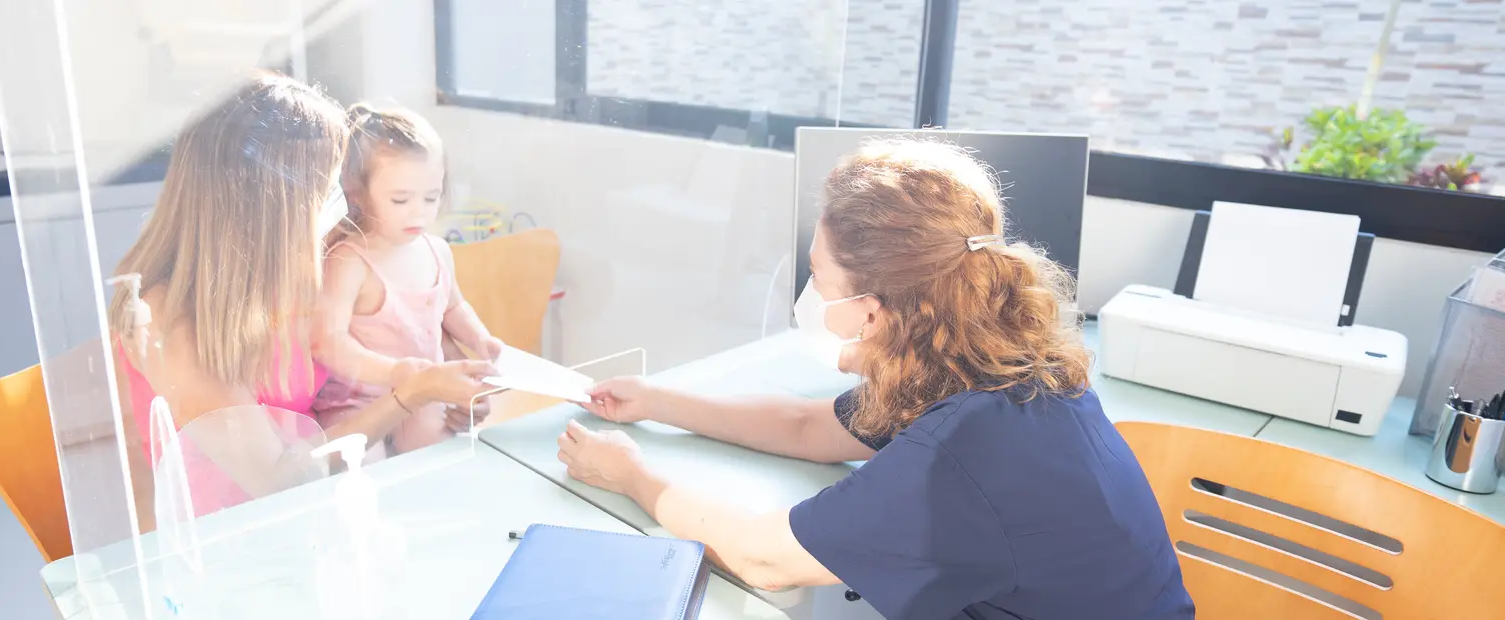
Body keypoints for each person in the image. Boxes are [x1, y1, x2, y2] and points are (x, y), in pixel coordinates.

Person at [558, 139, 1194, 619]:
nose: (810, 296)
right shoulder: (982, 367)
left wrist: (631, 475)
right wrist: (659, 401)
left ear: (873, 309)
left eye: (819, 277)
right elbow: (810, 426)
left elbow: (761, 559)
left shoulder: (967, 449)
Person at [108, 73, 494, 519]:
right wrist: (410, 395)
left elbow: (392, 335)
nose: (345, 207)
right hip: (233, 538)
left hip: (318, 512)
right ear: (272, 202)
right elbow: (276, 479)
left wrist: (448, 385)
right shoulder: (168, 317)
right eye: (329, 189)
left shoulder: (287, 272)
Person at [311, 103, 504, 459]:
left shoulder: (438, 251)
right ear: (357, 194)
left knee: (439, 457)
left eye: (431, 197)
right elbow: (327, 342)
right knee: (360, 465)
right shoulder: (350, 259)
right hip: (358, 402)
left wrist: (480, 338)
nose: (419, 211)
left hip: (425, 393)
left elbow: (455, 308)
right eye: (401, 200)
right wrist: (395, 372)